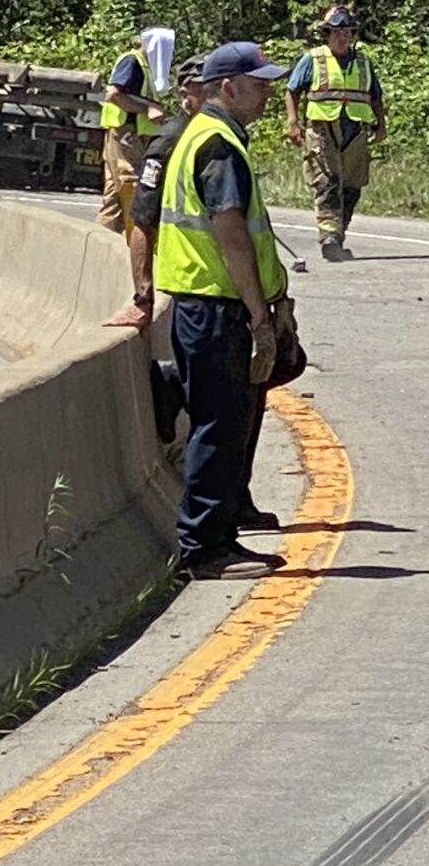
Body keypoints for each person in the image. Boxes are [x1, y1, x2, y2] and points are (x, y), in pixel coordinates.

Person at [153, 42, 294, 578]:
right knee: (221, 423)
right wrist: (259, 315)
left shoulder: (204, 137)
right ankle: (206, 548)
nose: (266, 94)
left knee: (217, 414)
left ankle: (217, 537)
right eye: (258, 84)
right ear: (227, 87)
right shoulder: (218, 146)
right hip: (216, 305)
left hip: (200, 303)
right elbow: (232, 232)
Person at [105, 55, 207, 330]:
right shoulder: (171, 141)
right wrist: (144, 298)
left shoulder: (217, 135)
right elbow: (143, 217)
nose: (214, 95)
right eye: (204, 88)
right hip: (189, 285)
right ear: (185, 94)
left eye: (217, 86)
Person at [285, 5, 388, 260]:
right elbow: (292, 91)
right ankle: (328, 237)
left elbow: (375, 97)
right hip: (322, 129)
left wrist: (381, 124)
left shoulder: (363, 62)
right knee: (327, 183)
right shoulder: (313, 59)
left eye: (347, 32)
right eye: (336, 32)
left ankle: (338, 234)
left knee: (352, 187)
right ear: (327, 34)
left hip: (356, 131)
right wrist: (293, 123)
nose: (342, 37)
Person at [96, 27, 167, 238]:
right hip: (126, 133)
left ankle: (103, 240)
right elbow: (114, 94)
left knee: (114, 194)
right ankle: (137, 237)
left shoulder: (146, 66)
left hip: (130, 133)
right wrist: (147, 108)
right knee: (131, 182)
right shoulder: (132, 62)